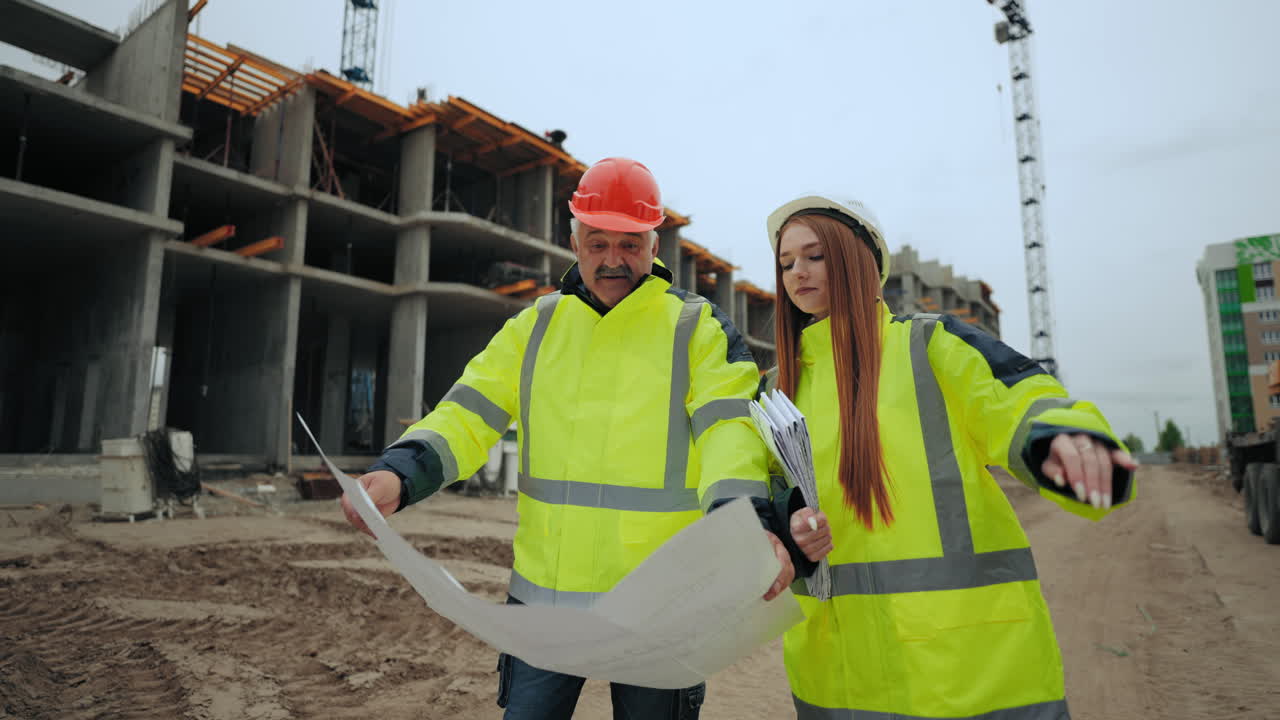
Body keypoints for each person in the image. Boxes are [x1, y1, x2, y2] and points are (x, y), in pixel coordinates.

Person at [339, 157, 795, 720]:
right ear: (574, 242)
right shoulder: (535, 328)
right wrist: (400, 473)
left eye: (629, 244)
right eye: (597, 243)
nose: (613, 259)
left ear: (654, 246)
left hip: (662, 604)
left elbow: (730, 434)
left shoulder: (697, 329)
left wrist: (746, 524)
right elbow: (467, 413)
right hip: (545, 604)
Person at [762, 195, 1139, 719]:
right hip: (835, 680)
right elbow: (764, 497)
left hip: (968, 670)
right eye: (786, 263)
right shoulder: (778, 390)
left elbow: (1017, 400)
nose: (797, 273)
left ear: (859, 260)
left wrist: (1062, 439)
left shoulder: (928, 345)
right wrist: (786, 527)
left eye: (815, 256)